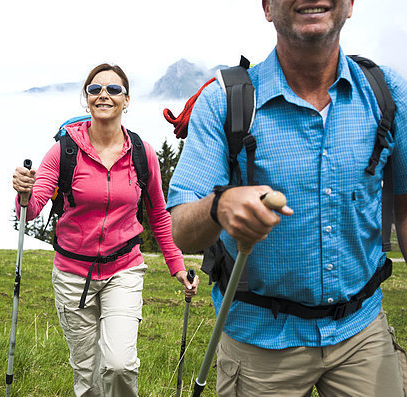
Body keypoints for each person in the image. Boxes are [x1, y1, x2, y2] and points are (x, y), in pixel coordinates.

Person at [167, 1, 406, 396]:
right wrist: (219, 206)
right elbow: (180, 229)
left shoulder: (387, 93)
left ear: (349, 5)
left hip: (360, 332)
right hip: (260, 339)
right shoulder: (224, 101)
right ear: (267, 7)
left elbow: (405, 208)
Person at [12, 63, 199, 397]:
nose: (104, 95)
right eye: (95, 89)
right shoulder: (64, 150)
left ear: (126, 100)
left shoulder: (142, 153)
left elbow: (158, 215)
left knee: (119, 364)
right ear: (87, 100)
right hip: (72, 275)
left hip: (123, 270)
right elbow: (34, 207)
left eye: (114, 90)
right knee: (87, 374)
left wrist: (177, 266)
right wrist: (23, 194)